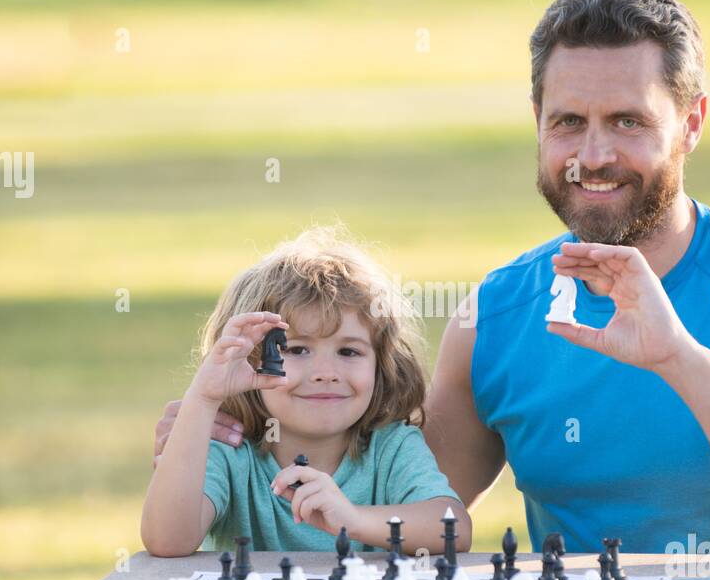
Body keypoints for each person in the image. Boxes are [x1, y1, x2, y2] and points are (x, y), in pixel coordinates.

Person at [156, 0, 710, 562]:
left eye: (628, 122)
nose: (592, 155)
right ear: (537, 118)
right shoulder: (496, 315)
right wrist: (223, 436)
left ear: (691, 123)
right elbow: (384, 503)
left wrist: (679, 359)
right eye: (568, 121)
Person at [140, 227, 471, 557]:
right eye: (296, 350)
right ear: (249, 360)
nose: (325, 374)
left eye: (349, 352)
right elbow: (167, 541)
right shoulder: (230, 449)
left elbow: (453, 529)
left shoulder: (390, 447)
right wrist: (204, 399)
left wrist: (353, 519)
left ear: (381, 365)